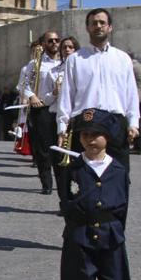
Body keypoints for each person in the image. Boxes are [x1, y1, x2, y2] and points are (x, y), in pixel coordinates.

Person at [59, 108, 137, 280]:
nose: (90, 140)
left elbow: (123, 206)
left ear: (108, 137)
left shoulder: (117, 169)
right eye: (84, 135)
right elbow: (66, 202)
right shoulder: (73, 169)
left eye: (96, 135)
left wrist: (117, 232)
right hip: (79, 238)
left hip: (111, 236)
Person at [57, 8, 140, 173]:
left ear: (110, 27)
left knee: (119, 175)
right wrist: (62, 127)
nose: (98, 26)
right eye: (94, 23)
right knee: (84, 176)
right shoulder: (75, 59)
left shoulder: (122, 58)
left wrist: (133, 123)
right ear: (87, 27)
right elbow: (67, 95)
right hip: (85, 121)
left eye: (102, 23)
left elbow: (131, 93)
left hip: (115, 122)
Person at [22, 31, 61, 194]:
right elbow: (23, 84)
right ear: (44, 44)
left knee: (60, 149)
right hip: (42, 109)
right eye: (50, 41)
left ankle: (63, 182)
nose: (54, 43)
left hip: (61, 109)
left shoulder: (67, 62)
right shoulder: (35, 64)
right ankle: (46, 182)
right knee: (43, 149)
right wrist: (31, 97)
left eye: (56, 40)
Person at [50, 36, 79, 203]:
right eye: (64, 47)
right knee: (60, 164)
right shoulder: (54, 71)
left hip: (76, 118)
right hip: (56, 116)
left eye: (70, 47)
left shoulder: (81, 68)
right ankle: (64, 200)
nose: (67, 50)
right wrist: (54, 92)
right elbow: (45, 99)